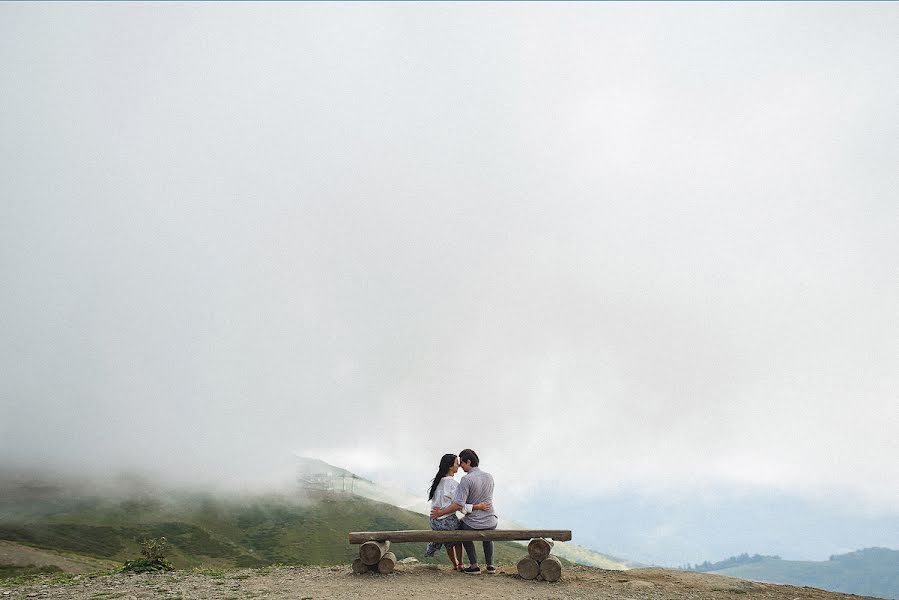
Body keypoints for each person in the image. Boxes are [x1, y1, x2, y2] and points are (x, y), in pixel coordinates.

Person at [430, 448, 496, 575]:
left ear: (469, 462)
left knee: (462, 529)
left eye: (462, 462)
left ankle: (474, 565)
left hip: (474, 522)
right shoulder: (489, 476)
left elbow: (459, 504)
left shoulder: (466, 479)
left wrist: (440, 513)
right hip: (491, 520)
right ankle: (490, 566)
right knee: (488, 534)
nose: (460, 465)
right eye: (458, 463)